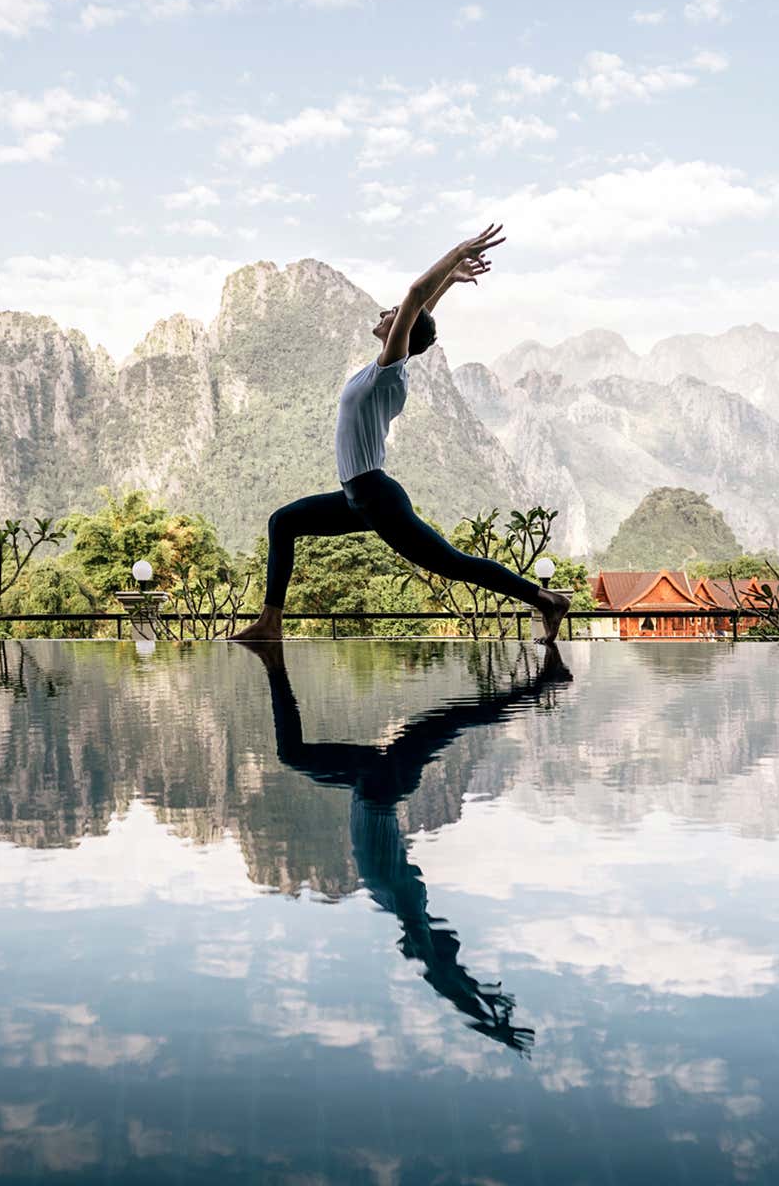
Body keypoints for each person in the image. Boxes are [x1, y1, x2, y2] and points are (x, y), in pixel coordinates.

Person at [230, 224, 571, 643]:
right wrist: (449, 281)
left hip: (375, 497)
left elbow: (414, 298)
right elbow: (419, 312)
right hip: (356, 497)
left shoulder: (388, 372)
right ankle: (270, 622)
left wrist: (456, 252)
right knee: (283, 522)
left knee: (453, 563)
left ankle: (546, 599)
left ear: (402, 333)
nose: (384, 314)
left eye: (392, 314)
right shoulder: (381, 369)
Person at [245, 640, 573, 1053]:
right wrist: (483, 1018)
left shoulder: (396, 903)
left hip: (371, 783)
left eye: (435, 944)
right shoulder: (406, 902)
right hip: (379, 785)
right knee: (454, 720)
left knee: (454, 721)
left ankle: (543, 685)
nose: (429, 946)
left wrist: (481, 1003)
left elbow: (440, 969)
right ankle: (543, 685)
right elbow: (441, 973)